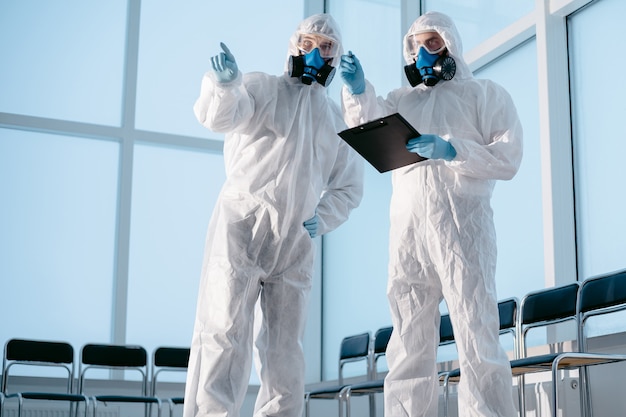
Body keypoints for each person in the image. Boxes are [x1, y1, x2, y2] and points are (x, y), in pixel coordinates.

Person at [339, 11, 522, 417]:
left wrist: (453, 149)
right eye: (416, 45)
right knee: (406, 342)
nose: (423, 53)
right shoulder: (401, 101)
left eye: (433, 43)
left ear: (451, 43)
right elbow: (367, 122)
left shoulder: (485, 95)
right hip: (408, 236)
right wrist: (356, 90)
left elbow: (508, 158)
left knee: (477, 338)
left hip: (464, 232)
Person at [183, 13, 363, 417]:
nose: (316, 53)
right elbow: (220, 117)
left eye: (327, 47)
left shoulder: (334, 120)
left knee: (285, 349)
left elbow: (350, 186)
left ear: (336, 56)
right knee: (224, 334)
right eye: (309, 43)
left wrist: (324, 216)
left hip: (295, 243)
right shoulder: (262, 87)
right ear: (294, 44)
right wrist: (226, 85)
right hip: (241, 228)